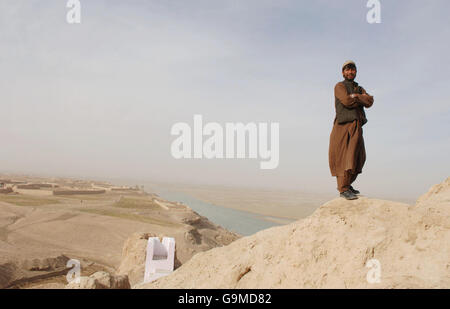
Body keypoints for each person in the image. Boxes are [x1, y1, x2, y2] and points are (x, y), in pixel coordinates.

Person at [328, 60, 374, 200]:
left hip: (356, 125)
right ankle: (343, 189)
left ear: (356, 72)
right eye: (347, 70)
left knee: (358, 157)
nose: (350, 72)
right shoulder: (339, 86)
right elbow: (346, 101)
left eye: (352, 70)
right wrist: (359, 99)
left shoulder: (359, 88)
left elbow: (370, 101)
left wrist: (356, 96)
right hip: (342, 126)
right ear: (343, 72)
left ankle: (347, 184)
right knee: (343, 157)